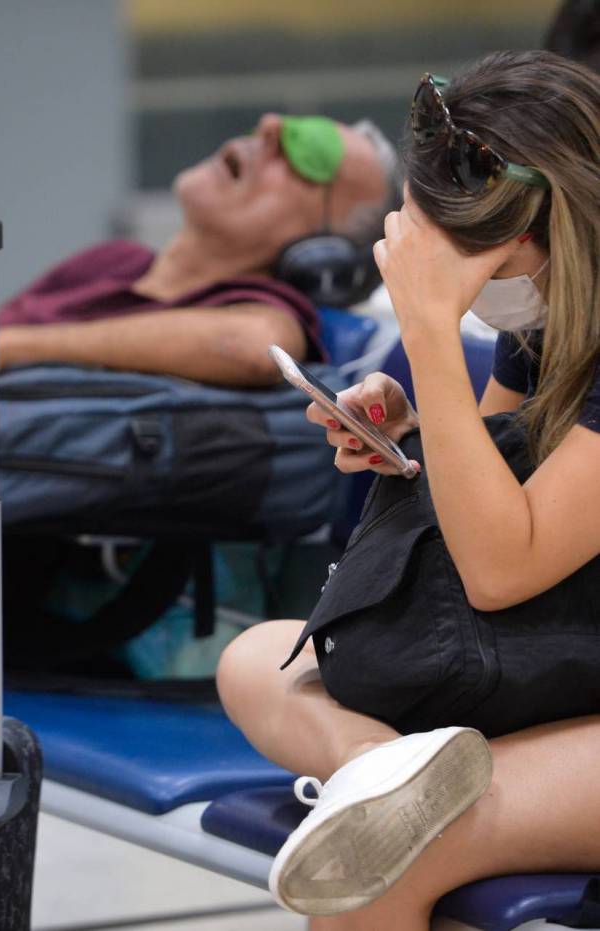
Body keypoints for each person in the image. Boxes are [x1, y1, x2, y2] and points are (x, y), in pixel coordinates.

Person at [217, 49, 600, 930]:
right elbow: (502, 491)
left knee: (387, 855)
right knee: (253, 660)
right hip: (554, 666)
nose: (473, 300)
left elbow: (501, 570)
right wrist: (413, 435)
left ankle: (394, 791)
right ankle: (379, 765)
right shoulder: (552, 315)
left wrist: (427, 334)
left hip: (569, 677)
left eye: (473, 269)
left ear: (546, 232)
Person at [0, 113, 399, 459]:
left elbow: (252, 347)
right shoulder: (110, 262)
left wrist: (6, 348)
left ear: (323, 252)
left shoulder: (265, 308)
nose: (269, 126)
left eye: (310, 152)